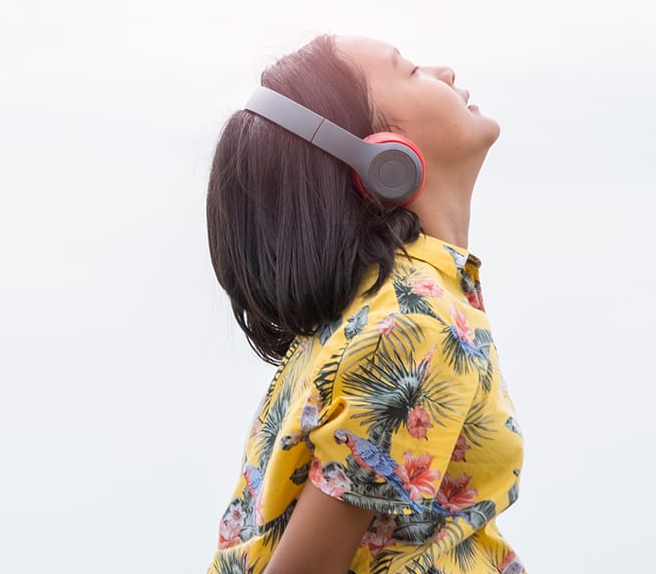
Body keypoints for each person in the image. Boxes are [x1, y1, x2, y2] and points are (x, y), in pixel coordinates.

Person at [204, 34, 526, 574]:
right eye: (412, 71)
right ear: (383, 158)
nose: (445, 72)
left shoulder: (380, 312)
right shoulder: (411, 320)